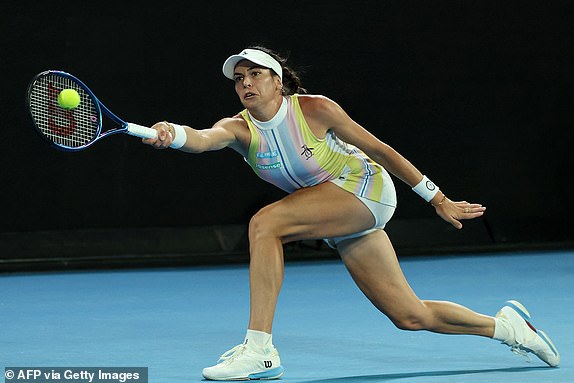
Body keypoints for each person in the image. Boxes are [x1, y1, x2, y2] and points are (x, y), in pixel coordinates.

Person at [143, 46, 560, 380]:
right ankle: (509, 328)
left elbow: (380, 149)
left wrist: (437, 198)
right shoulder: (239, 128)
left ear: (277, 80)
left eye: (255, 74)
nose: (246, 83)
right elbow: (201, 138)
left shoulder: (315, 109)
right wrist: (171, 134)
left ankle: (259, 350)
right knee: (410, 315)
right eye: (239, 79)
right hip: (333, 213)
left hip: (365, 191)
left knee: (264, 224)